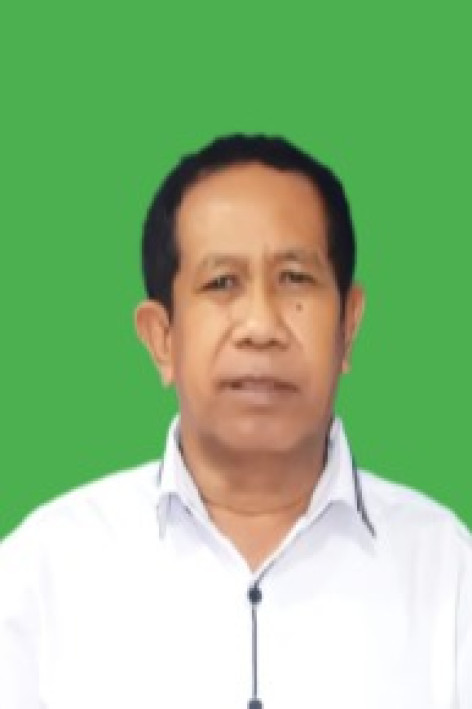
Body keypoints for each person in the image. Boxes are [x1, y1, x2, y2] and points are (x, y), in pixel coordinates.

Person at [0, 134, 471, 709]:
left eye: (295, 279)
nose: (261, 326)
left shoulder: (449, 575)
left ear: (348, 325)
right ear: (162, 338)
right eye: (222, 283)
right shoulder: (41, 575)